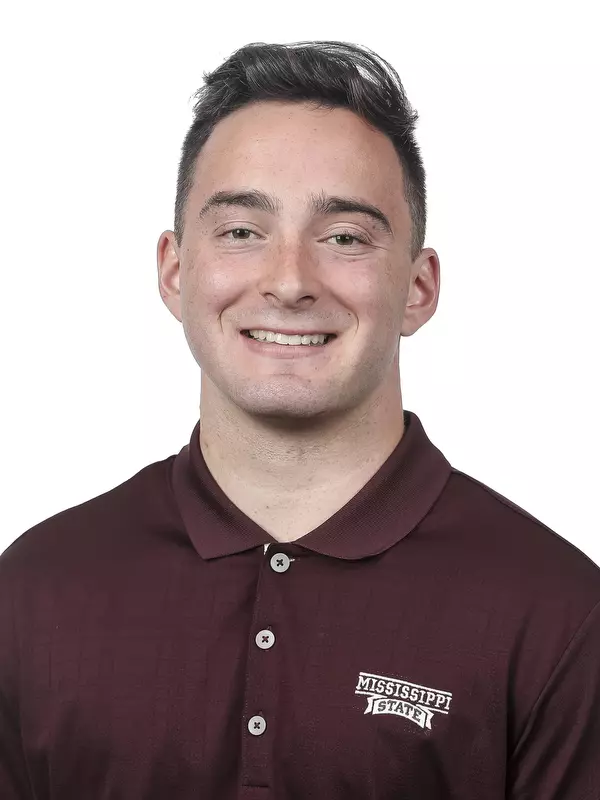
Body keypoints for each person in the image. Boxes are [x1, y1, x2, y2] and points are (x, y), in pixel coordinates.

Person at [1, 39, 598, 800]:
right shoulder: (34, 592)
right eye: (242, 232)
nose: (288, 282)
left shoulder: (559, 616)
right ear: (175, 272)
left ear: (417, 288)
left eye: (344, 238)